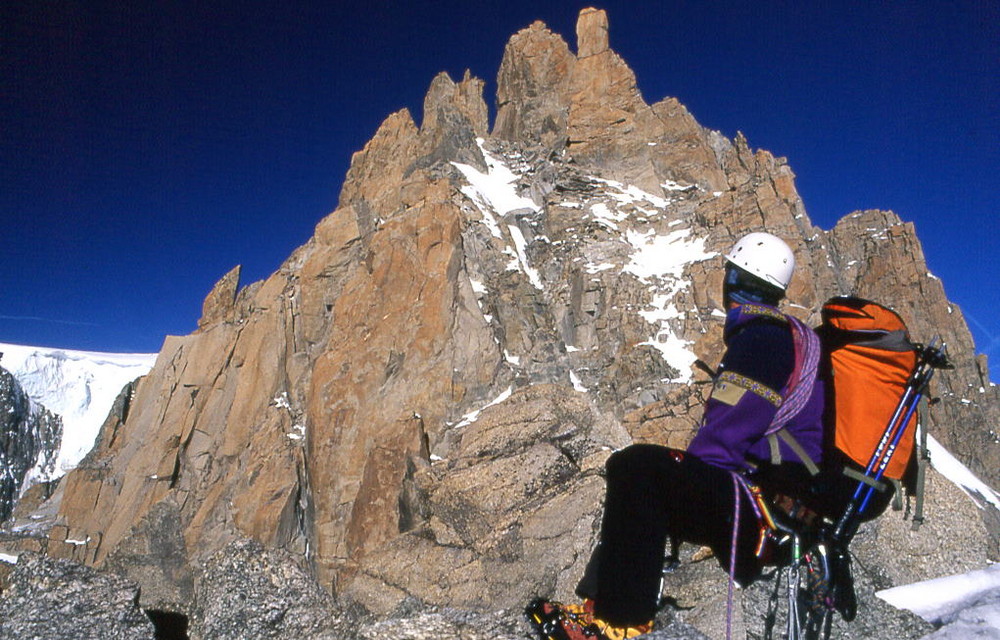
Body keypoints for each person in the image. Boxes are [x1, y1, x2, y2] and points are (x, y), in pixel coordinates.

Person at [527, 232, 826, 640]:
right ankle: (599, 605)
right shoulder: (784, 337)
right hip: (781, 500)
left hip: (765, 511)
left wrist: (685, 477)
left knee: (638, 469)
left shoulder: (761, 341)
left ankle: (619, 623)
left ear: (731, 283)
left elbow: (726, 438)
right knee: (651, 473)